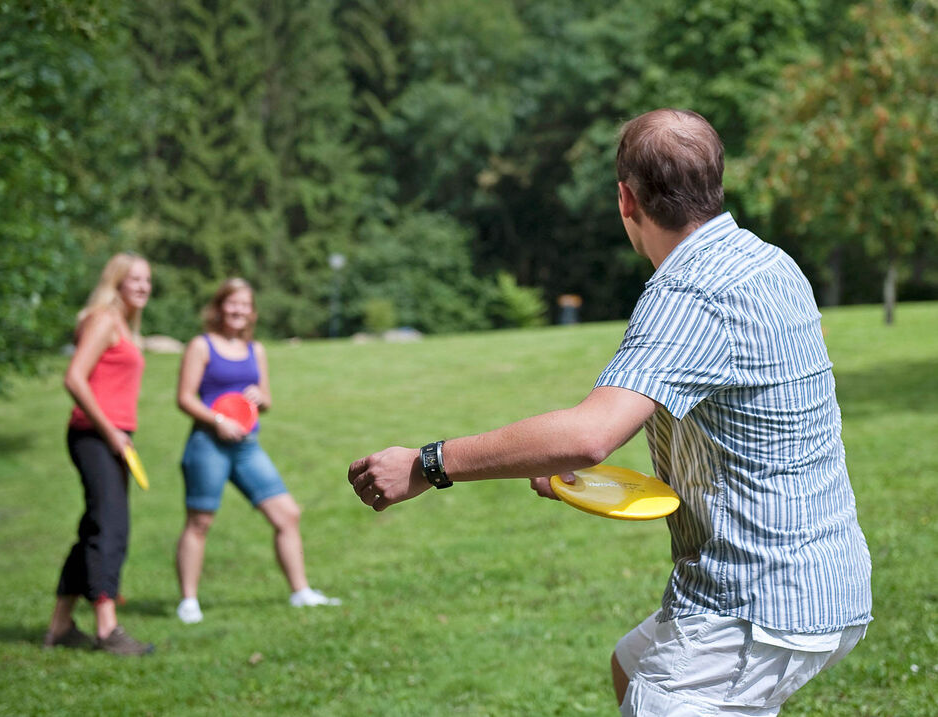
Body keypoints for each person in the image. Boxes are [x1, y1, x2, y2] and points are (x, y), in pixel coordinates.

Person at [348, 109, 872, 715]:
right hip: (828, 575)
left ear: (626, 199)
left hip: (755, 604)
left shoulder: (690, 292)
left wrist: (427, 464)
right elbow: (748, 424)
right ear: (714, 181)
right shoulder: (768, 262)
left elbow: (590, 434)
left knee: (653, 696)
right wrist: (583, 481)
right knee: (631, 665)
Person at [174, 278, 339, 624]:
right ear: (219, 307)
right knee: (200, 522)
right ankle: (188, 601)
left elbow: (266, 398)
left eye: (245, 305)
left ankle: (301, 592)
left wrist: (261, 400)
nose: (238, 310)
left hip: (247, 446)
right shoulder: (201, 346)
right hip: (208, 445)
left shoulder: (256, 350)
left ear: (252, 312)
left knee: (287, 514)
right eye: (231, 303)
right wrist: (218, 419)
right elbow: (185, 398)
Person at [45, 252, 155, 656]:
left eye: (147, 280)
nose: (144, 286)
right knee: (111, 528)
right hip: (94, 435)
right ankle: (107, 629)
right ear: (117, 282)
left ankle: (59, 627)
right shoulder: (103, 320)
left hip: (112, 437)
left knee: (95, 526)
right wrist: (111, 432)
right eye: (136, 279)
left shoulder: (122, 324)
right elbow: (73, 377)